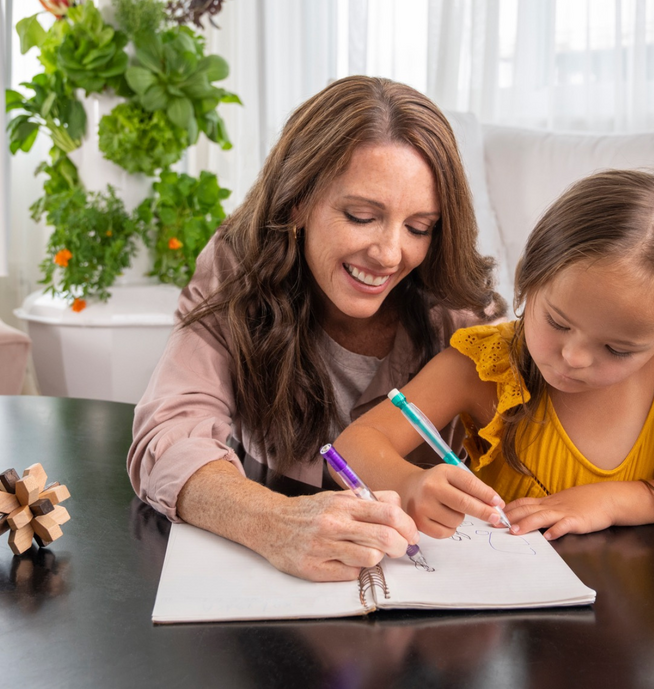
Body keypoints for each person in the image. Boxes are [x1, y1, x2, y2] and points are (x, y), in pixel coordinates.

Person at [126, 76, 505, 580]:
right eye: (361, 216)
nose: (391, 254)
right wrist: (273, 521)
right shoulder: (238, 265)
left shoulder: (455, 308)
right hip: (271, 583)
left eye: (419, 228)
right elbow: (168, 435)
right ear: (298, 201)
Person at [333, 169, 654, 540]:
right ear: (528, 278)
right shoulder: (486, 366)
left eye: (617, 348)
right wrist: (411, 483)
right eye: (557, 323)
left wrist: (614, 501)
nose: (573, 357)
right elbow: (352, 447)